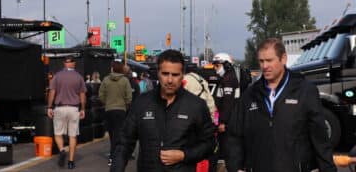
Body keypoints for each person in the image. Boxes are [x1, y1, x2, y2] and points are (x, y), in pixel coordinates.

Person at [227, 38, 337, 172]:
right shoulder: (250, 94)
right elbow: (234, 135)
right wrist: (234, 167)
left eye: (269, 60)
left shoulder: (305, 91)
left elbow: (320, 139)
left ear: (283, 58)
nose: (265, 66)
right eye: (261, 61)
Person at [111, 49, 215, 172]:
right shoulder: (142, 103)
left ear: (183, 75)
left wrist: (184, 155)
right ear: (158, 73)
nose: (170, 80)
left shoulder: (196, 106)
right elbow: (124, 143)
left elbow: (209, 144)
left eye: (175, 75)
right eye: (165, 74)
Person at [47, 56, 87, 170]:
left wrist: (49, 107)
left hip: (60, 108)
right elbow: (82, 95)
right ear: (74, 64)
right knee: (72, 136)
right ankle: (70, 162)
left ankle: (62, 150)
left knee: (58, 134)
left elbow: (52, 92)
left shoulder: (57, 76)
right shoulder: (79, 77)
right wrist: (83, 109)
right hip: (74, 109)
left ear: (64, 64)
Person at [99, 60, 132, 166]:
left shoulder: (105, 80)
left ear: (112, 68)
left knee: (112, 134)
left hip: (109, 110)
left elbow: (101, 95)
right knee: (119, 134)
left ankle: (113, 156)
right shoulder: (125, 81)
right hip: (121, 110)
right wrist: (126, 105)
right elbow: (129, 97)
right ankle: (114, 156)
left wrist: (106, 102)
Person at [212, 52, 240, 172]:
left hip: (229, 125)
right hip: (229, 123)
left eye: (217, 65)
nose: (215, 68)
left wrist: (223, 122)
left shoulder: (228, 80)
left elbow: (228, 103)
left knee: (229, 155)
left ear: (227, 65)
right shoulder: (225, 78)